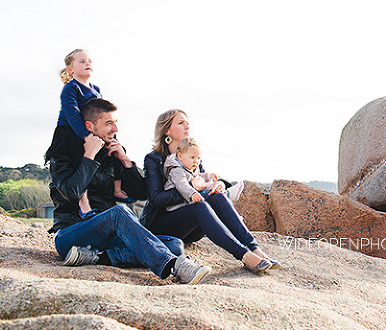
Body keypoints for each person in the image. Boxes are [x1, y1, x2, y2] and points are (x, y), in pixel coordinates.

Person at [45, 98, 212, 284]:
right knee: (119, 212)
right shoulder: (62, 154)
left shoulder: (112, 151)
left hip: (107, 238)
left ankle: (95, 257)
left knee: (175, 244)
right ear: (90, 126)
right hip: (71, 234)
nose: (115, 129)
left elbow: (141, 193)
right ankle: (172, 265)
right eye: (109, 123)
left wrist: (125, 162)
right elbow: (71, 192)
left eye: (116, 123)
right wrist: (89, 157)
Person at [141, 109, 279, 274]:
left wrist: (217, 184)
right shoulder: (154, 159)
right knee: (200, 206)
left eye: (188, 123)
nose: (187, 126)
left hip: (192, 227)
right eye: (181, 123)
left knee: (217, 197)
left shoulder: (192, 154)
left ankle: (254, 248)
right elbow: (156, 199)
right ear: (166, 131)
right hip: (162, 224)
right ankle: (244, 256)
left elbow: (203, 180)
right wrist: (192, 187)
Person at [53, 49, 130, 219]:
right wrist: (86, 136)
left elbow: (102, 113)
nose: (87, 63)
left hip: (92, 129)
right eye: (82, 61)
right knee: (79, 163)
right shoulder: (71, 88)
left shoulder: (95, 88)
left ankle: (117, 188)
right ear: (70, 70)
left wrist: (111, 137)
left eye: (89, 61)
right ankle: (83, 201)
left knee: (116, 150)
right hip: (70, 132)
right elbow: (72, 113)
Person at [163, 137, 224, 211]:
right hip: (177, 206)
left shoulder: (192, 168)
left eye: (198, 158)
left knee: (212, 192)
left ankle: (225, 195)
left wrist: (208, 176)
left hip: (188, 202)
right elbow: (182, 184)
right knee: (207, 196)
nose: (196, 161)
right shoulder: (176, 171)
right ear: (180, 156)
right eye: (192, 157)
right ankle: (226, 194)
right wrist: (192, 193)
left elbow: (198, 176)